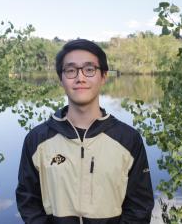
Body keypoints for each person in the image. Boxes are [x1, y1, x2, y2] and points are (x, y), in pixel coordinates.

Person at [16, 39, 154, 223]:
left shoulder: (128, 139)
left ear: (103, 76)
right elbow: (28, 201)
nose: (80, 78)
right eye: (71, 70)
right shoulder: (37, 140)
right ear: (61, 78)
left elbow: (139, 206)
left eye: (89, 70)